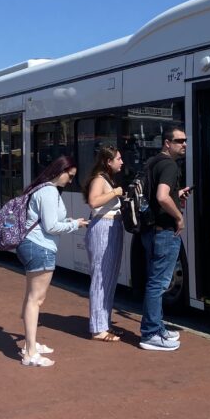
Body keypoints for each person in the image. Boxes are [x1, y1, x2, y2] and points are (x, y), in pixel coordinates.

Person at [17, 155, 89, 367]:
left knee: (32, 297)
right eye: (70, 176)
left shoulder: (43, 190)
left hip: (32, 245)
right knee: (36, 300)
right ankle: (30, 352)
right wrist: (74, 224)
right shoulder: (48, 192)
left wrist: (70, 222)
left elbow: (49, 221)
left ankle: (31, 343)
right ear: (61, 171)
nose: (71, 180)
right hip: (41, 247)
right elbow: (50, 227)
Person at [140, 126, 191, 351]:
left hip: (150, 230)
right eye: (179, 141)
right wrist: (179, 217)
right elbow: (161, 197)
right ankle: (151, 332)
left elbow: (156, 195)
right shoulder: (170, 165)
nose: (184, 144)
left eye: (185, 140)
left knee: (154, 281)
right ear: (167, 143)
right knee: (158, 283)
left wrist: (176, 195)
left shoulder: (153, 162)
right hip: (164, 232)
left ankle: (157, 327)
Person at [83, 146, 125, 342]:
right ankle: (98, 328)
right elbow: (93, 201)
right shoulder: (100, 179)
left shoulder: (107, 179)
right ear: (108, 161)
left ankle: (104, 323)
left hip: (113, 226)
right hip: (102, 226)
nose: (121, 162)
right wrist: (116, 192)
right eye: (118, 159)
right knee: (101, 277)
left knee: (109, 277)